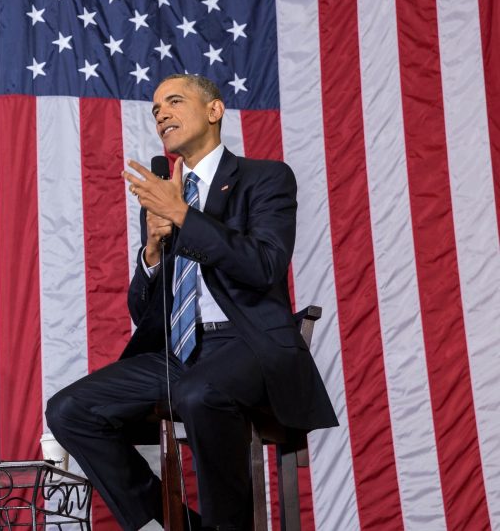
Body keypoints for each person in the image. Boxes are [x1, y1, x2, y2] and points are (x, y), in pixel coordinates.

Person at [45, 75, 337, 530]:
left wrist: (184, 213)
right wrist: (152, 254)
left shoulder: (265, 178)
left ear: (215, 110)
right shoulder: (168, 194)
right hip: (180, 352)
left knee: (198, 392)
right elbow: (147, 316)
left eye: (174, 101)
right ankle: (164, 524)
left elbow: (264, 265)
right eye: (156, 107)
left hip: (248, 345)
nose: (161, 113)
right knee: (68, 410)